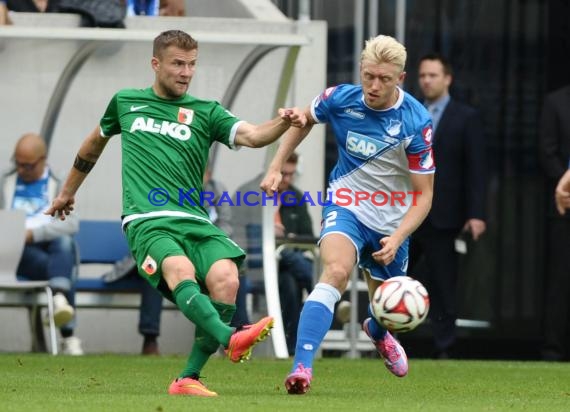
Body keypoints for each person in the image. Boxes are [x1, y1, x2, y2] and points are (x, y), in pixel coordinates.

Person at [45, 30, 306, 397]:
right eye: (178, 64)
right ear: (156, 64)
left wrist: (283, 122)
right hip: (146, 220)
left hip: (195, 220)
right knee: (180, 270)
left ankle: (188, 378)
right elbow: (94, 143)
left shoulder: (207, 111)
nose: (186, 72)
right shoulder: (126, 102)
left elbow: (252, 136)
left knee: (227, 278)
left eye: (192, 64)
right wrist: (67, 191)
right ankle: (229, 337)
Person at [261, 34, 435, 394]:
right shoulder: (339, 98)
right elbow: (305, 119)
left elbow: (424, 195)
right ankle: (302, 368)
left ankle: (377, 330)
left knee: (383, 306)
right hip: (347, 205)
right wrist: (277, 165)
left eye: (384, 79)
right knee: (335, 271)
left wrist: (399, 237)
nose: (373, 85)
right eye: (368, 75)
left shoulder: (416, 121)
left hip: (391, 221)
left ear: (400, 79)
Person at [408, 53, 487, 359]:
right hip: (408, 214)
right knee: (394, 278)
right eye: (423, 75)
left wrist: (476, 214)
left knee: (443, 283)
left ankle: (444, 347)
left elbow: (476, 170)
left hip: (445, 215)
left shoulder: (466, 117)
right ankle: (389, 341)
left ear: (447, 79)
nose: (427, 80)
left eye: (433, 75)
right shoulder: (410, 113)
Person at [0, 133, 84, 355]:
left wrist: (33, 234)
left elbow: (72, 224)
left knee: (64, 243)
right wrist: (18, 236)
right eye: (17, 164)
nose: (21, 170)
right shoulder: (4, 183)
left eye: (27, 166)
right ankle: (67, 330)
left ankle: (57, 297)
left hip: (48, 247)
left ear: (42, 160)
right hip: (16, 255)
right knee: (63, 270)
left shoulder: (58, 183)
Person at [232, 152, 315, 355]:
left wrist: (286, 235)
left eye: (291, 175)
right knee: (293, 263)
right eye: (283, 173)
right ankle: (317, 288)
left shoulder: (296, 197)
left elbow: (308, 237)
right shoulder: (246, 193)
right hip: (253, 264)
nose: (287, 179)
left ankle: (291, 348)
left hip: (283, 268)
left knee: (290, 282)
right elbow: (236, 235)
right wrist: (265, 231)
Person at [538, 83, 570, 361]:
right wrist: (566, 184)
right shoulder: (555, 101)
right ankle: (553, 347)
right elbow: (547, 151)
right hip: (565, 207)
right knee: (561, 278)